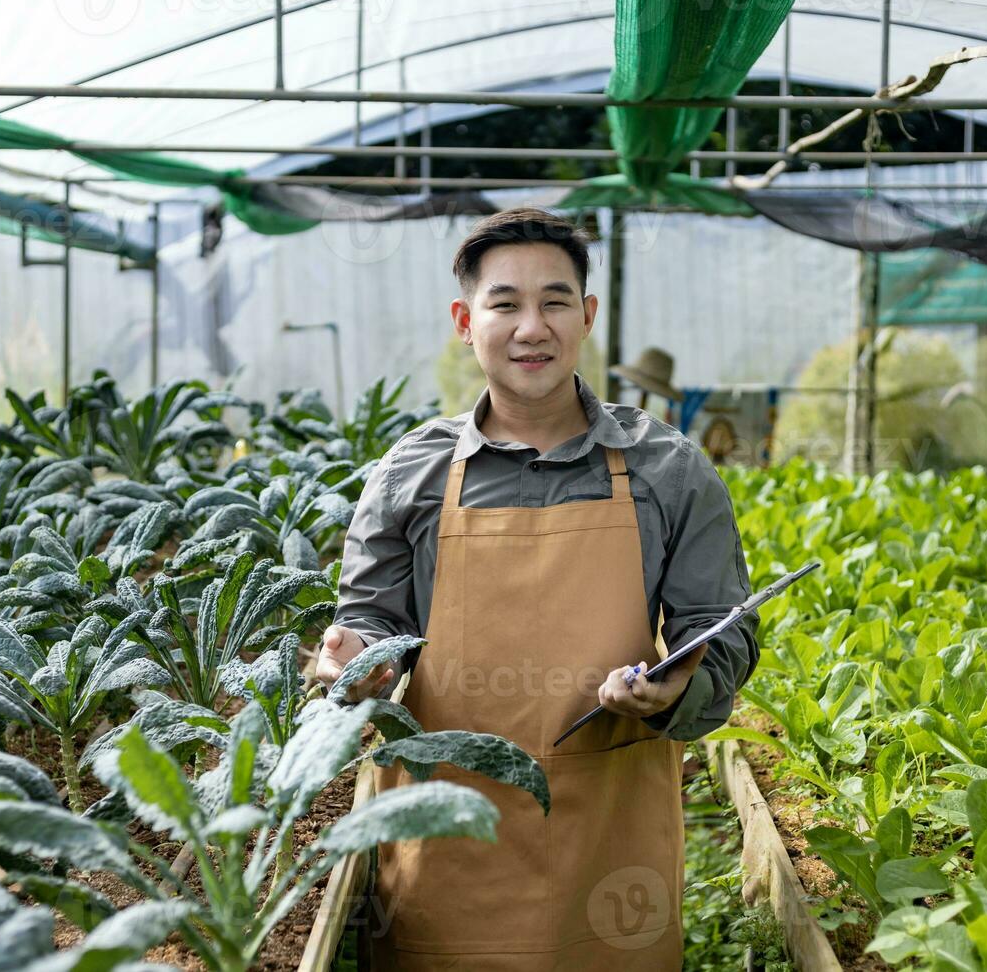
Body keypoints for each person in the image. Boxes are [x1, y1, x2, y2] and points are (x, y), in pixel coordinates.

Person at [316, 207, 759, 970]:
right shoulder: (410, 473)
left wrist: (677, 687)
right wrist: (355, 659)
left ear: (586, 316)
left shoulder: (669, 470)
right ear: (465, 320)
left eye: (555, 302)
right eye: (505, 303)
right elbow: (369, 619)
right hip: (448, 828)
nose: (532, 327)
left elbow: (723, 634)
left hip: (607, 832)